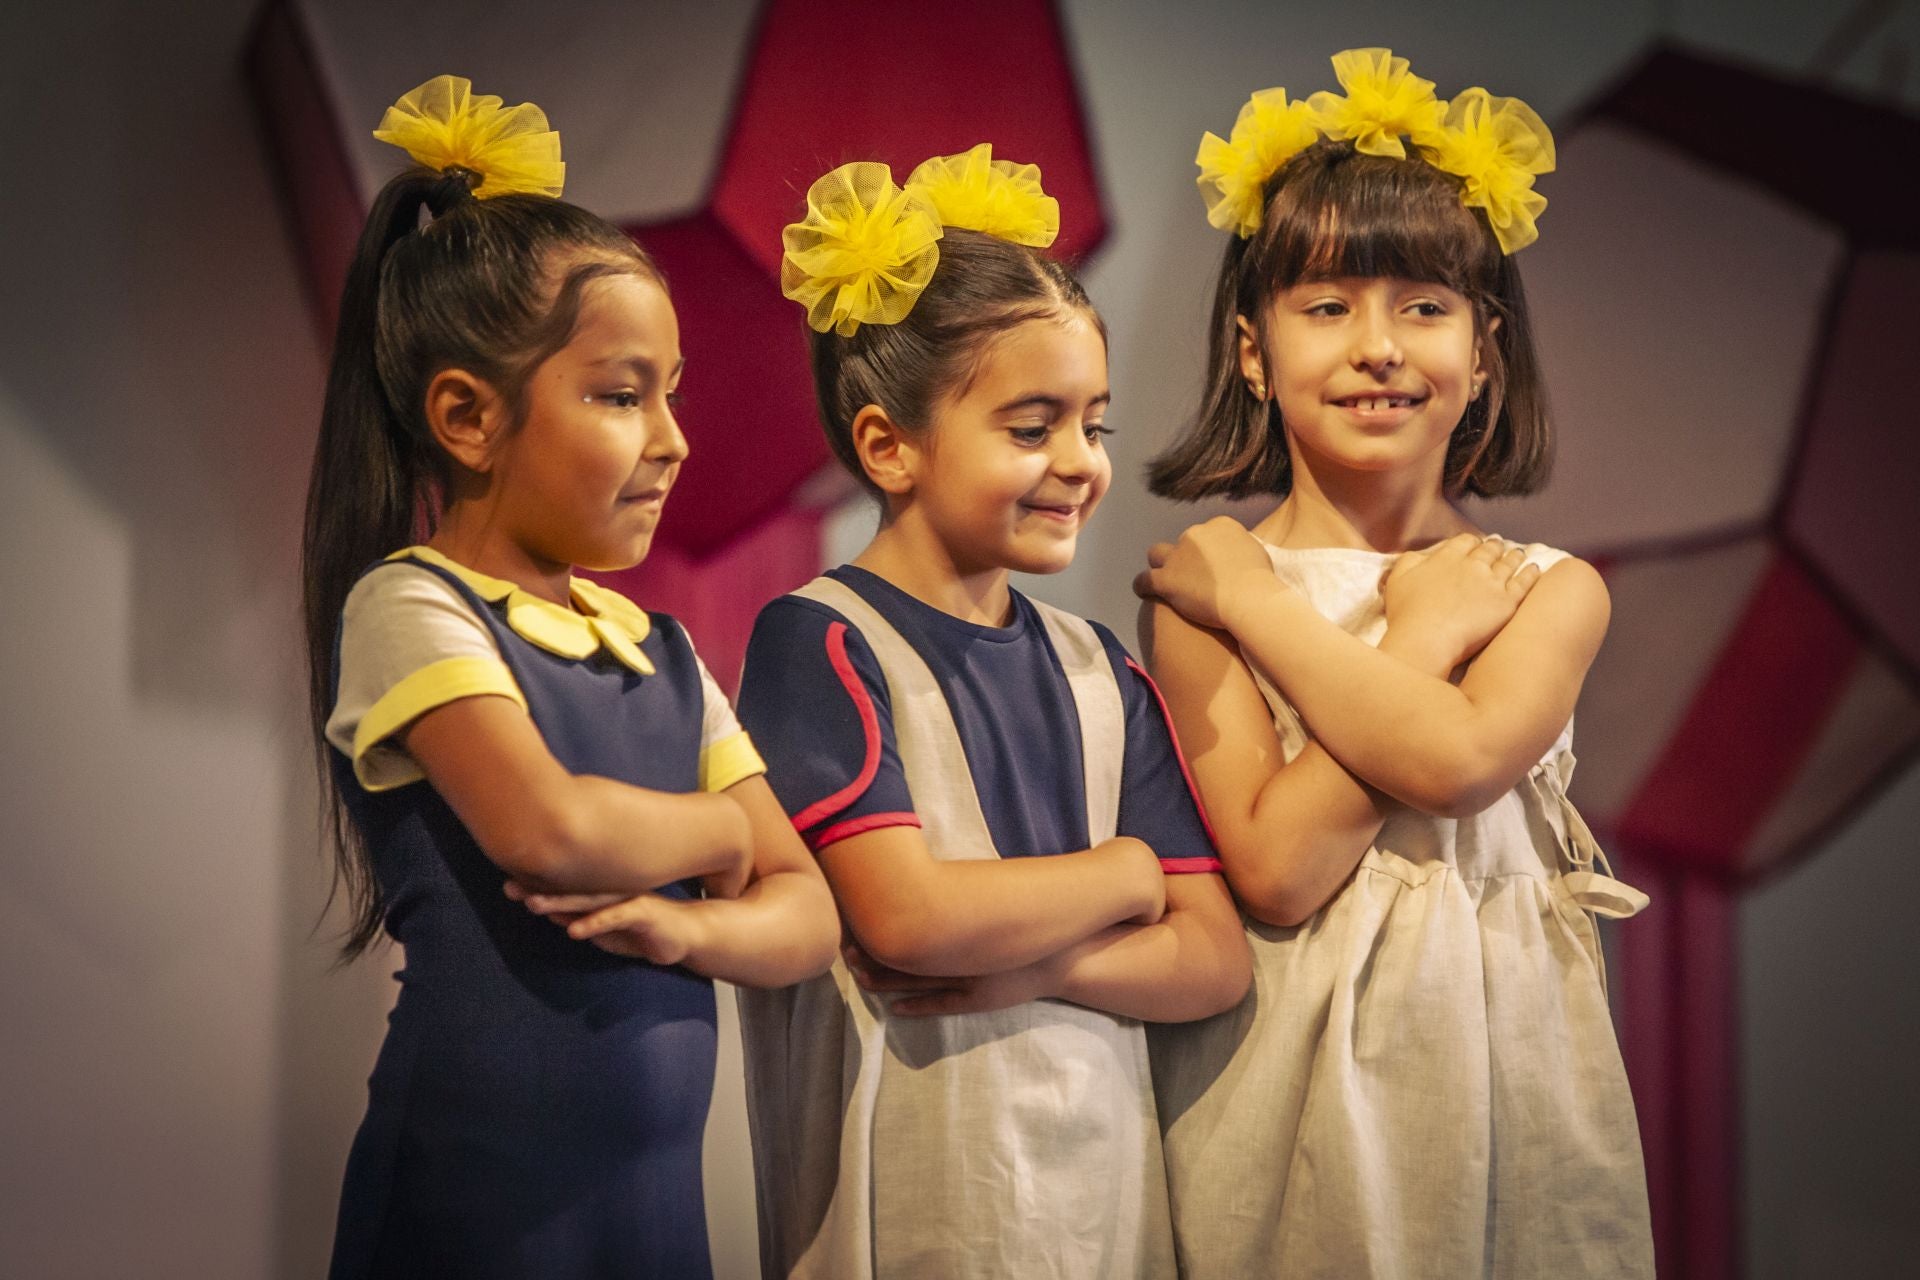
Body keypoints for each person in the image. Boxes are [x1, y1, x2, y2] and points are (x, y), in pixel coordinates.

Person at [304, 76, 837, 1279]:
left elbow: (807, 914)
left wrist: (677, 927)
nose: (672, 438)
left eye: (672, 392)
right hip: (475, 1205)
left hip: (651, 1213)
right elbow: (548, 827)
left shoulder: (658, 645)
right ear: (466, 416)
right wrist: (719, 832)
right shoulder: (411, 603)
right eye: (618, 395)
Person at [1137, 50, 1655, 1278]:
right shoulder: (1207, 589)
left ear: (1486, 352)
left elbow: (1463, 758)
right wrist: (1405, 635)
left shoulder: (1540, 587)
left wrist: (1283, 618)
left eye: (1423, 305)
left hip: (1502, 1073)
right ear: (1253, 353)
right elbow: (1276, 866)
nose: (1377, 345)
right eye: (1326, 307)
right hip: (1289, 1081)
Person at [732, 147, 1252, 1278]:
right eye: (1032, 427)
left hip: (1103, 1197)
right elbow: (908, 917)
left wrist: (1040, 970)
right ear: (889, 444)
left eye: (1094, 426)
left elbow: (1212, 956)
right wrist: (1123, 877)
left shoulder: (1099, 665)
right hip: (916, 1188)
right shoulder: (818, 637)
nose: (1078, 463)